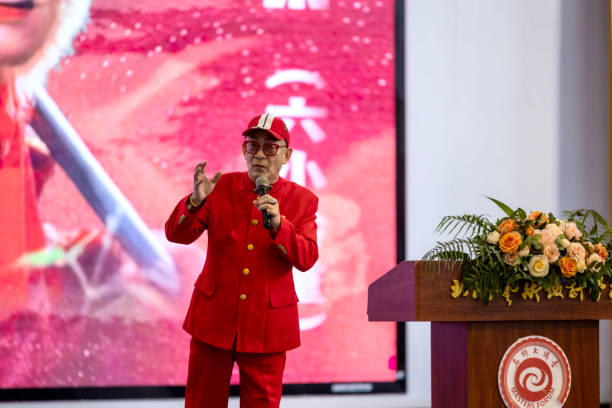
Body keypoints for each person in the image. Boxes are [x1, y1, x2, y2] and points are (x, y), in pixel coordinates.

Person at [165, 114, 319, 408]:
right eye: (252, 145)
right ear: (243, 150)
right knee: (202, 402)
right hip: (213, 318)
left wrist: (280, 225)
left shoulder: (303, 200)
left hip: (267, 325)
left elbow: (307, 258)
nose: (259, 154)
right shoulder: (218, 187)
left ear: (286, 155)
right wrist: (195, 201)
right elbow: (176, 235)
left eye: (270, 147)